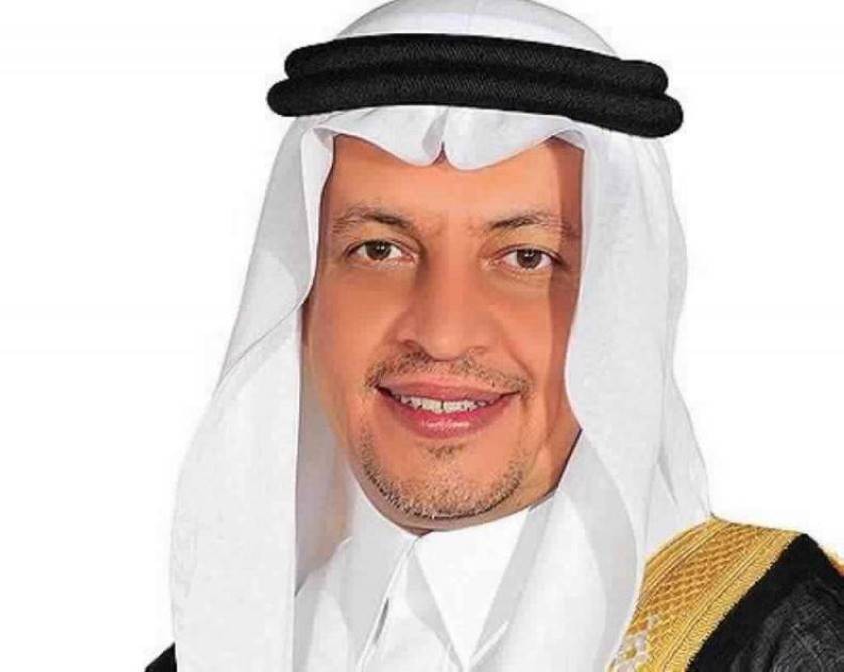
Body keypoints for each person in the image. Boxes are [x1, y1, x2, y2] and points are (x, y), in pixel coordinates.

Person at [146, 1, 844, 670]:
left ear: (619, 313)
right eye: (380, 250)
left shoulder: (787, 646)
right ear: (302, 300)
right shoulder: (223, 655)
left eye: (527, 258)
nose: (443, 335)